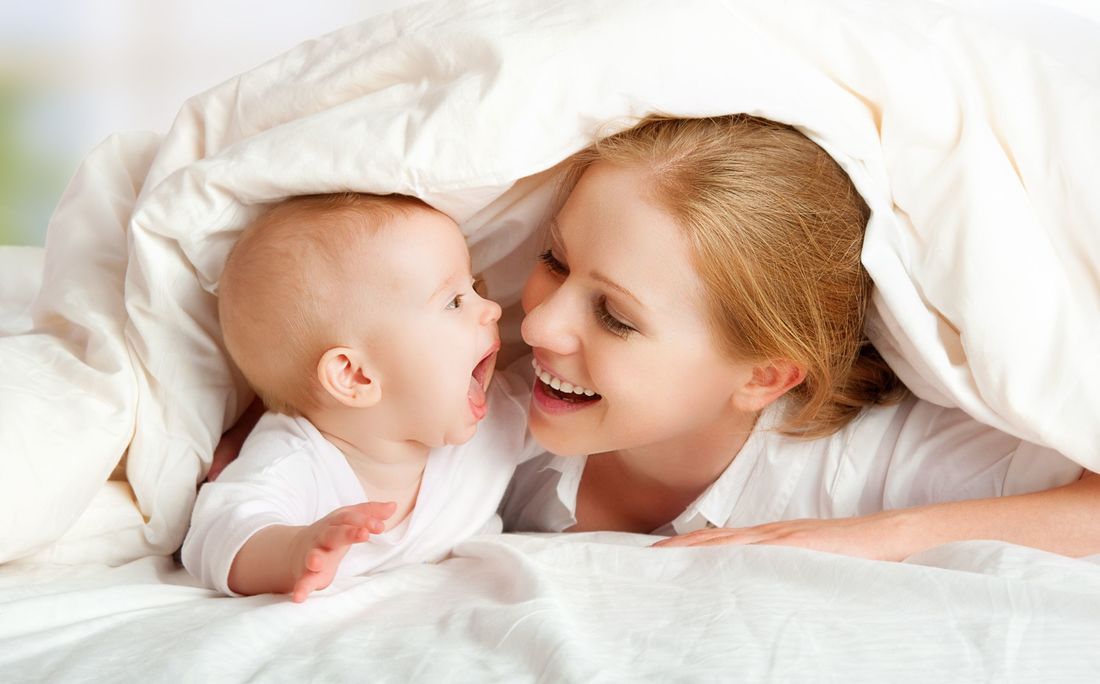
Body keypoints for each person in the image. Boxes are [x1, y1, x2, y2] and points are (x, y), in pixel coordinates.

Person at [211, 116, 1099, 562]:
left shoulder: (857, 461)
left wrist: (867, 539)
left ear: (764, 374)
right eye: (556, 261)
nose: (539, 321)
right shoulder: (493, 413)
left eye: (617, 317)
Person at [182, 192, 539, 603]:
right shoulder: (298, 459)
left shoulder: (498, 417)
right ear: (356, 375)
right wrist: (294, 549)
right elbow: (218, 532)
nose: (492, 308)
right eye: (454, 302)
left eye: (475, 287)